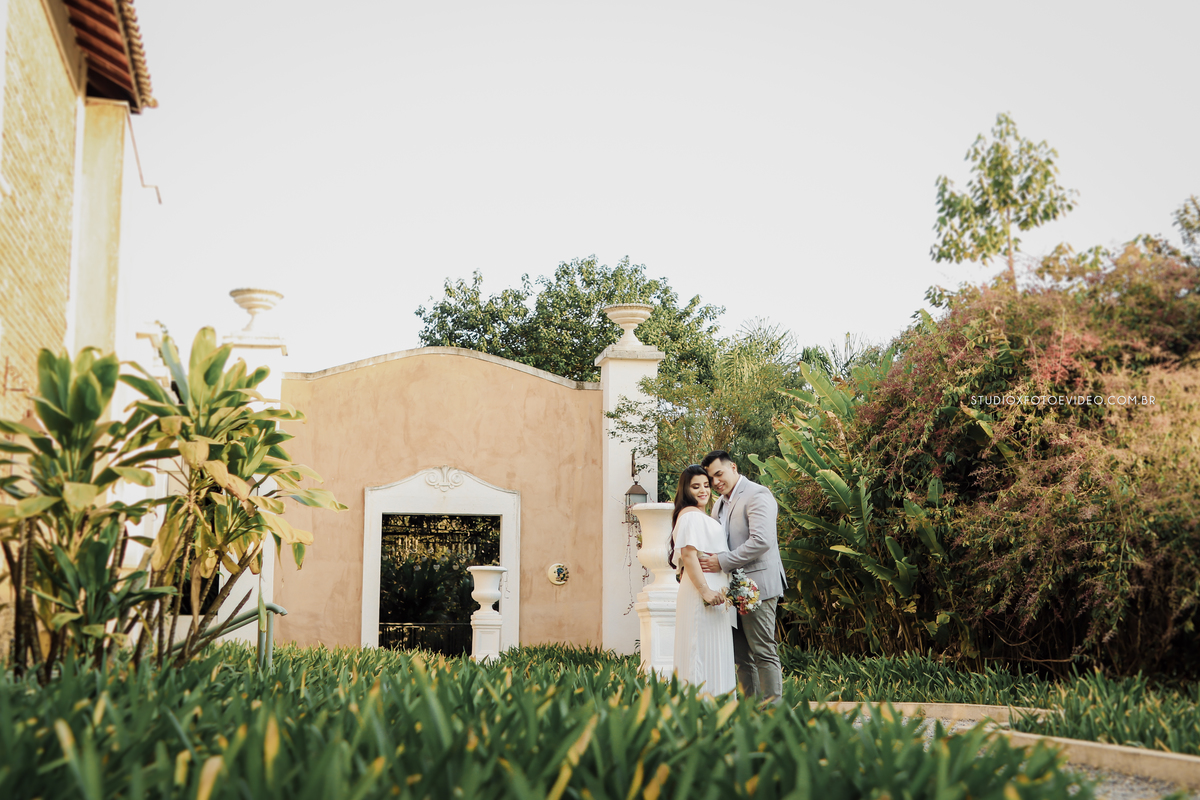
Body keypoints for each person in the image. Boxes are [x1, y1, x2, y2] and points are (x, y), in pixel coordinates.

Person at [698, 450, 787, 704]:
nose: (715, 482)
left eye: (719, 474)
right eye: (711, 478)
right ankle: (751, 712)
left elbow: (762, 540)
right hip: (731, 590)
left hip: (758, 587)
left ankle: (773, 712)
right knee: (741, 656)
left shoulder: (757, 494)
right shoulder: (719, 504)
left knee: (763, 651)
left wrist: (721, 562)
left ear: (733, 467)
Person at [669, 464, 736, 695]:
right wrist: (705, 591)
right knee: (700, 651)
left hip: (716, 594)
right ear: (685, 490)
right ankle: (700, 706)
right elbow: (688, 555)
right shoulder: (689, 515)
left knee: (713, 650)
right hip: (702, 592)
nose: (703, 491)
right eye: (695, 486)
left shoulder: (702, 515)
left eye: (706, 485)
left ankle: (717, 702)